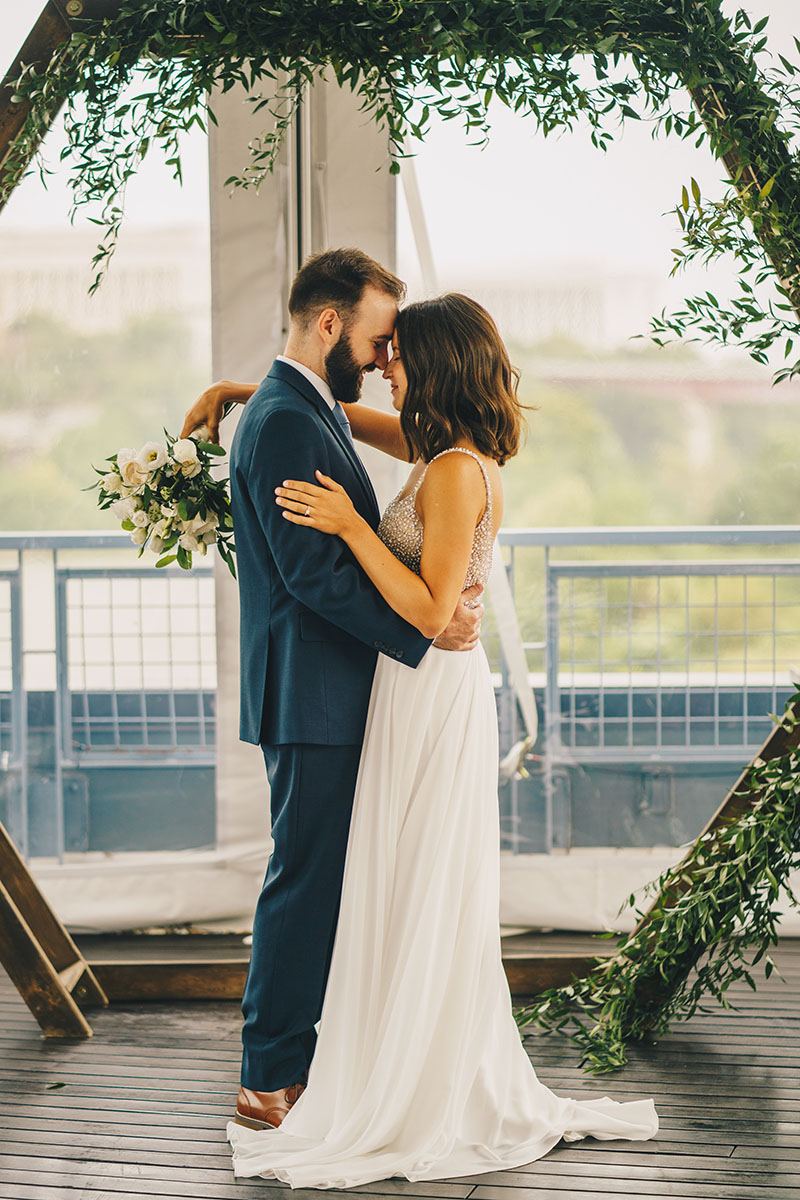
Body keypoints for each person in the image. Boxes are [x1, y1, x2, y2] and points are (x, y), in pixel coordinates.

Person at [186, 284, 659, 1188]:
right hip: (411, 690)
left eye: (395, 350)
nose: (381, 360)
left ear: (431, 364)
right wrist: (255, 393)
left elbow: (431, 608)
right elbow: (356, 423)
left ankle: (403, 1071)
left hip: (427, 687)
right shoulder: (442, 449)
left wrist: (355, 526)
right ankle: (384, 1053)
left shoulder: (451, 471)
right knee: (397, 876)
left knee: (413, 876)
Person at [181, 248, 482, 1134]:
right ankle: (267, 1078)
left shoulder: (299, 407)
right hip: (313, 695)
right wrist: (425, 630)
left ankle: (311, 1063)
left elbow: (350, 465)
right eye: (379, 337)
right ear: (329, 325)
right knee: (304, 883)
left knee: (323, 880)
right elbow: (314, 576)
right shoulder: (286, 422)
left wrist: (237, 387)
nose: (387, 356)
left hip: (332, 690)